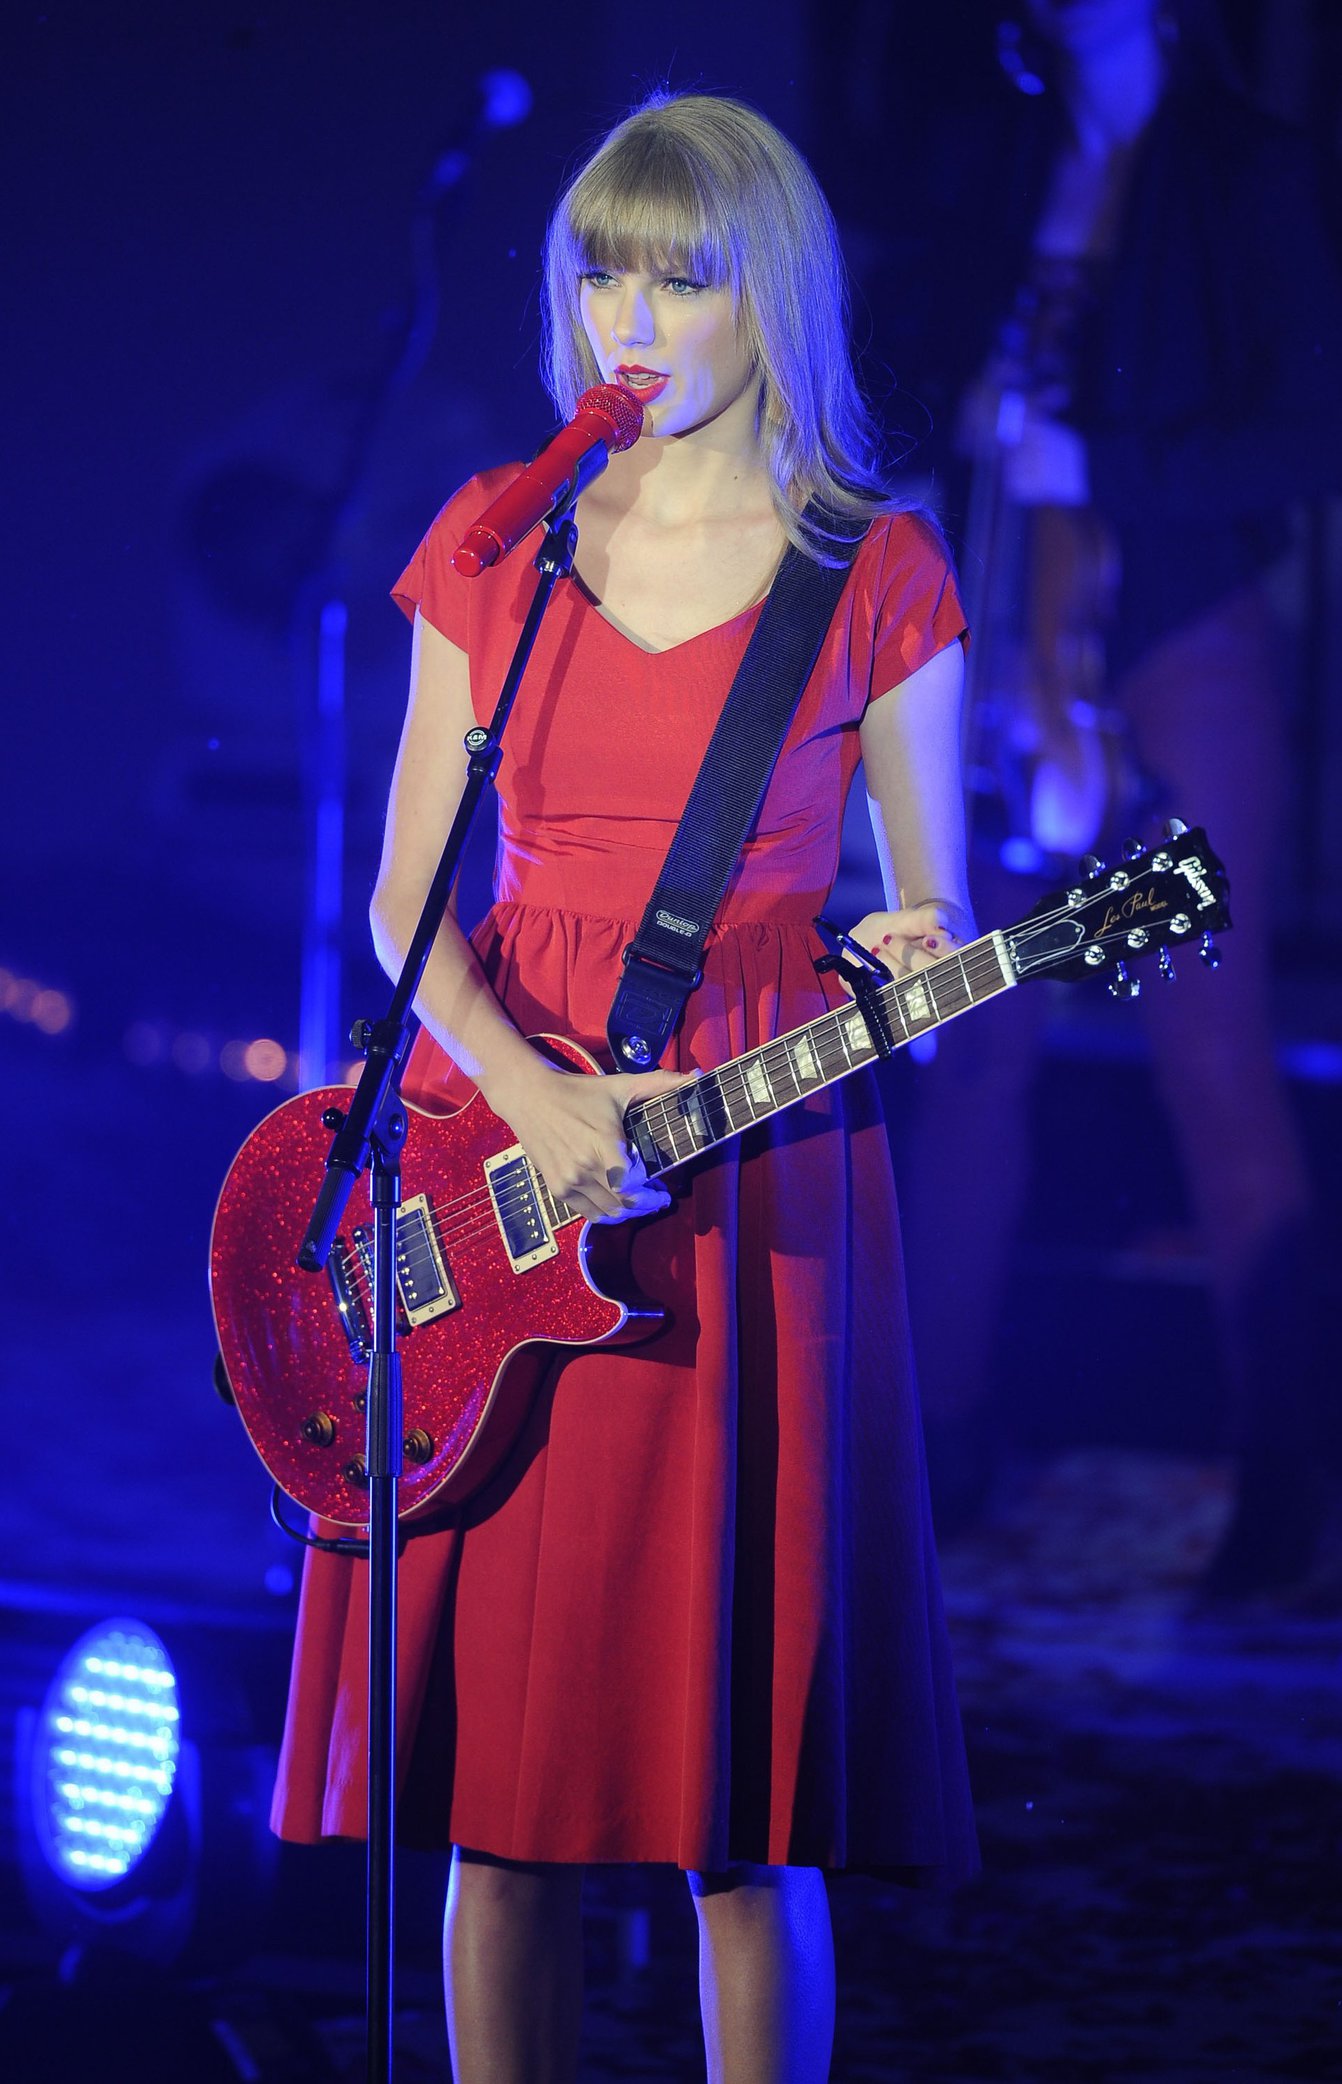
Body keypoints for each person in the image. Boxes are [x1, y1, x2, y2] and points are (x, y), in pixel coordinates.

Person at [271, 91, 979, 2080]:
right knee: (498, 1799)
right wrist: (528, 1092)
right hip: (499, 1145)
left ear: (775, 294)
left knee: (733, 1811)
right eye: (599, 267)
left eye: (679, 271)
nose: (627, 315)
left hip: (750, 1174)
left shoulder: (877, 570)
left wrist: (919, 949)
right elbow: (409, 891)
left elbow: (928, 897)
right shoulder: (497, 548)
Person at [891, 0, 1342, 1589]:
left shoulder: (1245, 163)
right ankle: (932, 1446)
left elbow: (1309, 427)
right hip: (1013, 659)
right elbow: (940, 372)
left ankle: (1287, 1476)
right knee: (968, 1058)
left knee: (1209, 1064)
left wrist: (1100, 468)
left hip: (1177, 641)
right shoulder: (1005, 151)